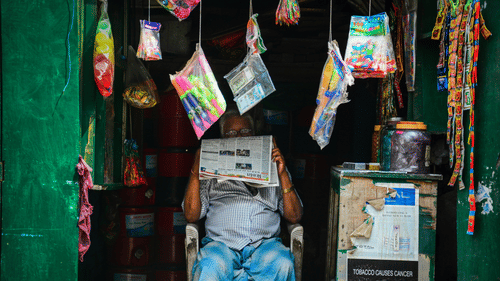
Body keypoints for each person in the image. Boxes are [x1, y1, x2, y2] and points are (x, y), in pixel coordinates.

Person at [183, 109, 303, 281]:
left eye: (245, 131)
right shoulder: (211, 171)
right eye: (231, 133)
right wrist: (196, 170)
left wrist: (282, 174)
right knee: (209, 267)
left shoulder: (274, 166)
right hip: (222, 246)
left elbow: (294, 215)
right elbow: (191, 214)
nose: (239, 137)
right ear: (223, 139)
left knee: (283, 264)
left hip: (264, 246)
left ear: (254, 135)